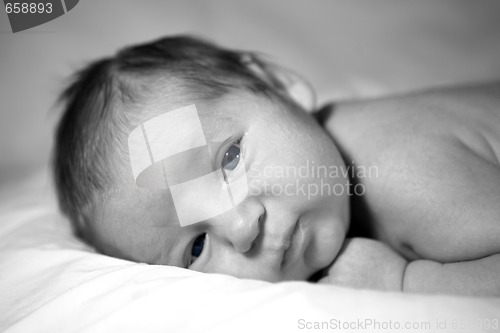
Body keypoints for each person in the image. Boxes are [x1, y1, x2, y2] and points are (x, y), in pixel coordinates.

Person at [53, 35, 500, 296]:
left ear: (280, 86)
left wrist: (407, 282)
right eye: (194, 249)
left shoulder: (402, 176)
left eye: (229, 159)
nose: (243, 227)